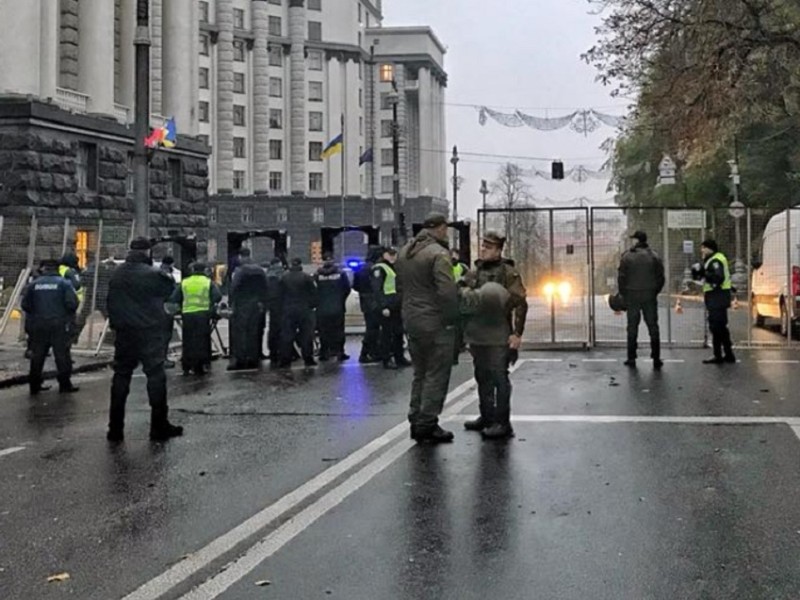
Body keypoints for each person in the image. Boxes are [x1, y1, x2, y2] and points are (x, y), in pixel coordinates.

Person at [106, 237, 182, 442]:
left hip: (124, 332)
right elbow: (170, 292)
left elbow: (109, 302)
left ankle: (115, 428)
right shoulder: (153, 275)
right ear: (148, 252)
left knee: (121, 376)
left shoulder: (117, 275)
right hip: (148, 332)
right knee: (156, 376)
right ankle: (159, 426)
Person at [396, 213, 460, 444]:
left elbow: (400, 288)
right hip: (435, 322)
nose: (447, 233)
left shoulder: (404, 252)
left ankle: (415, 417)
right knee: (436, 373)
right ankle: (427, 423)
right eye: (445, 229)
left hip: (412, 320)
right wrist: (452, 317)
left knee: (420, 372)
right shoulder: (438, 254)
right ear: (440, 228)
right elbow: (446, 291)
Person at [461, 232, 528, 440]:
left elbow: (520, 303)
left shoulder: (508, 272)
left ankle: (503, 422)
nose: (483, 250)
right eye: (483, 246)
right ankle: (487, 416)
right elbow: (463, 292)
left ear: (498, 250)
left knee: (499, 376)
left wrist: (517, 334)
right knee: (482, 375)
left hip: (499, 331)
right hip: (479, 331)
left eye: (488, 247)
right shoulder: (476, 270)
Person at [21, 259, 79, 395]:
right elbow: (72, 304)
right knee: (62, 355)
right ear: (57, 269)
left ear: (44, 269)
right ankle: (64, 385)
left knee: (38, 356)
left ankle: (34, 385)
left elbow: (25, 305)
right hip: (59, 324)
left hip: (38, 324)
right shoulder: (64, 284)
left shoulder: (33, 284)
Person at [618, 230, 665, 369]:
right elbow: (661, 277)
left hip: (632, 295)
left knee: (632, 326)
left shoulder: (627, 256)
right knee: (653, 326)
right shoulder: (654, 256)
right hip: (649, 295)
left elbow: (621, 277)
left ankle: (631, 357)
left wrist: (623, 294)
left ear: (636, 241)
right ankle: (656, 357)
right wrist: (654, 291)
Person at [170, 263, 222, 375]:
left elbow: (174, 298)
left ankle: (187, 365)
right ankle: (202, 365)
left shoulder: (185, 282)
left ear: (192, 270)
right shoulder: (208, 282)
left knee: (188, 340)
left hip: (188, 314)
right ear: (205, 270)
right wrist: (211, 304)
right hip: (203, 314)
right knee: (202, 340)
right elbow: (217, 296)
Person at [693, 239, 736, 364]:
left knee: (716, 326)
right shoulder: (715, 259)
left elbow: (718, 277)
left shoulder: (715, 260)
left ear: (709, 248)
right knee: (719, 326)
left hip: (717, 296)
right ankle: (726, 354)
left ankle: (721, 354)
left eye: (703, 248)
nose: (702, 250)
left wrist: (704, 274)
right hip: (717, 296)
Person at [228, 248, 269, 371]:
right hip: (256, 305)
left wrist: (231, 303)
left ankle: (241, 360)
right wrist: (262, 302)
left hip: (242, 305)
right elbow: (265, 287)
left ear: (241, 257)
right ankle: (253, 359)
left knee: (241, 333)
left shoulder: (240, 271)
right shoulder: (260, 270)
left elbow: (233, 288)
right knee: (253, 332)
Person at [371, 247, 409, 370]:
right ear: (384, 255)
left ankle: (399, 357)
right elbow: (377, 290)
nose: (393, 257)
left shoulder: (393, 267)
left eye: (394, 254)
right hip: (387, 306)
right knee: (387, 334)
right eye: (390, 254)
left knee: (398, 332)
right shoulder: (379, 268)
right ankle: (387, 359)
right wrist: (383, 307)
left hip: (395, 304)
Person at [279, 258, 319, 367]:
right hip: (304, 310)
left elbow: (279, 295)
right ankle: (308, 358)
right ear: (300, 265)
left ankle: (285, 360)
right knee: (306, 335)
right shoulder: (306, 277)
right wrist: (312, 306)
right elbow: (314, 293)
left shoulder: (284, 277)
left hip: (288, 309)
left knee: (287, 335)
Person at [314, 254, 351, 361]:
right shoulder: (341, 274)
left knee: (324, 331)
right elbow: (347, 289)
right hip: (337, 308)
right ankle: (340, 352)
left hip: (322, 309)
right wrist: (340, 300)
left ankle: (324, 353)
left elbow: (314, 291)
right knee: (339, 331)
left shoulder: (317, 275)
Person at [353, 246, 382, 363]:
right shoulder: (375, 269)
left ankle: (371, 352)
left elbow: (354, 286)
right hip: (374, 300)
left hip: (364, 300)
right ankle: (366, 353)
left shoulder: (360, 268)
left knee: (371, 328)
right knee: (373, 328)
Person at [59, 253, 84, 345]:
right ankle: (68, 341)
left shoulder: (59, 269)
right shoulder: (70, 271)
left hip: (58, 299)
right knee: (71, 322)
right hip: (71, 300)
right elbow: (77, 285)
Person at [159, 255, 179, 368]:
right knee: (165, 334)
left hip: (158, 307)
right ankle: (163, 359)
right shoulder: (166, 275)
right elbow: (171, 291)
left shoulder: (159, 272)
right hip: (165, 307)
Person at [265, 258, 286, 365]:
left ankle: (273, 352)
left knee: (273, 329)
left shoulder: (267, 276)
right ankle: (282, 352)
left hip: (272, 306)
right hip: (282, 305)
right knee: (283, 329)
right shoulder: (282, 275)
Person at [451, 248, 468, 364]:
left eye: (456, 255)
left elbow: (469, 278)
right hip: (450, 298)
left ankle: (460, 345)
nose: (454, 257)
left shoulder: (462, 267)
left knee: (460, 325)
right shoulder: (445, 266)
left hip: (460, 298)